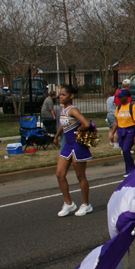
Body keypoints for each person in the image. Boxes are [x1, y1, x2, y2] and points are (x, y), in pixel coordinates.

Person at [52, 85, 92, 217]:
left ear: (71, 96)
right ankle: (69, 204)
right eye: (60, 94)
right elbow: (63, 126)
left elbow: (86, 124)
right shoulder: (62, 110)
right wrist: (57, 135)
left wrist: (78, 131)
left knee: (80, 176)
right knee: (60, 174)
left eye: (63, 94)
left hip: (77, 145)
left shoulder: (73, 110)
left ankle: (86, 204)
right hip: (67, 145)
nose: (60, 96)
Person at [110, 89, 135, 177]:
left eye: (121, 97)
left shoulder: (132, 106)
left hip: (130, 130)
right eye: (118, 97)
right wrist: (112, 132)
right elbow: (116, 122)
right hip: (121, 130)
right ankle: (129, 169)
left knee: (126, 150)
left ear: (126, 97)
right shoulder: (118, 108)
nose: (119, 99)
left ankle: (131, 170)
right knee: (124, 151)